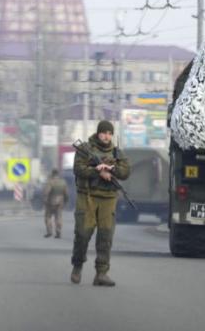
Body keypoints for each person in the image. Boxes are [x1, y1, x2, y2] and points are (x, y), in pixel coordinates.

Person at [71, 120, 130, 287]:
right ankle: (77, 264)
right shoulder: (85, 149)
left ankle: (101, 273)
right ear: (98, 133)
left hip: (108, 198)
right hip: (87, 196)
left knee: (106, 236)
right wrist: (97, 171)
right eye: (104, 132)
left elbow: (126, 171)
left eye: (110, 133)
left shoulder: (117, 152)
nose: (107, 136)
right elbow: (78, 169)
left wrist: (111, 169)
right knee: (82, 233)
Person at [43, 168, 69, 238]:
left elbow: (46, 192)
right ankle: (58, 232)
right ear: (58, 174)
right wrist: (66, 201)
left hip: (50, 202)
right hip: (60, 202)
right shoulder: (63, 182)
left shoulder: (50, 182)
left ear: (52, 174)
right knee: (58, 217)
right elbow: (66, 193)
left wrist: (45, 200)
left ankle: (49, 231)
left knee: (48, 217)